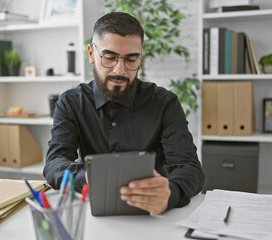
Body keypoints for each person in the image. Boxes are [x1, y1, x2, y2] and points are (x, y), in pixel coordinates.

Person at [44, 12, 204, 215]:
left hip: (152, 217)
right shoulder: (71, 102)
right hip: (90, 214)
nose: (119, 70)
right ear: (92, 54)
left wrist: (170, 194)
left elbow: (190, 169)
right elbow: (54, 162)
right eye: (109, 58)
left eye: (131, 59)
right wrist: (85, 178)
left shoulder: (165, 103)